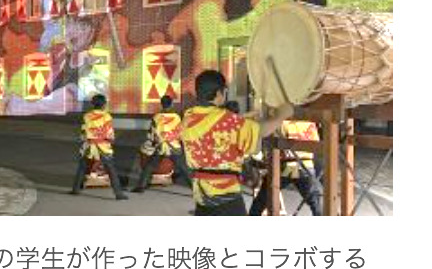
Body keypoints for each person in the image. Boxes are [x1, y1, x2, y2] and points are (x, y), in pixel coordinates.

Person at [179, 70, 263, 216]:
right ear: (219, 93)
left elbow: (219, 122)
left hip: (201, 192)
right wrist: (282, 114)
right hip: (226, 193)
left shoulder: (187, 119)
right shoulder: (228, 120)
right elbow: (256, 144)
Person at [249, 118, 324, 216]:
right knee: (314, 202)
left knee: (262, 198)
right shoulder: (309, 124)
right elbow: (316, 144)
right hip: (306, 166)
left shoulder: (282, 122)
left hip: (285, 166)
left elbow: (271, 139)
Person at [70, 92, 128, 199]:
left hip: (89, 146)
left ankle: (75, 189)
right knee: (111, 170)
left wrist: (85, 141)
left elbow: (83, 132)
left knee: (82, 168)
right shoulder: (107, 117)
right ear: (104, 104)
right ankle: (118, 194)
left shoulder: (87, 116)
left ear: (93, 104)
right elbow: (109, 133)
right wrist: (110, 140)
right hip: (103, 146)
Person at [133, 94, 191, 193]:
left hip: (161, 146)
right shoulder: (176, 117)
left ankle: (141, 187)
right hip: (173, 146)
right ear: (172, 104)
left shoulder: (156, 117)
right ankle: (195, 189)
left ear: (161, 104)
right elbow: (180, 131)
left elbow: (152, 133)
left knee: (149, 166)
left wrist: (153, 142)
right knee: (183, 168)